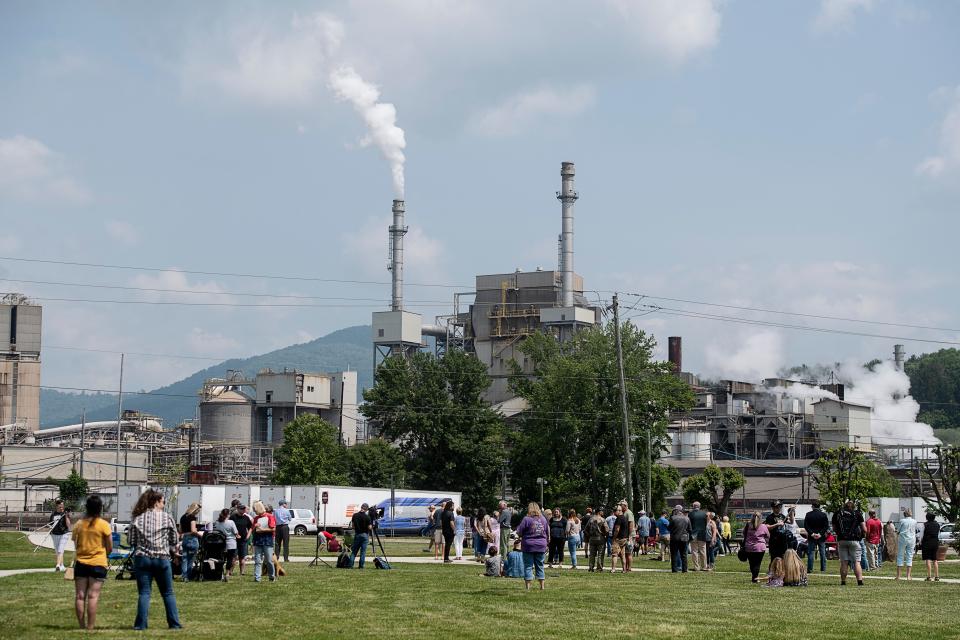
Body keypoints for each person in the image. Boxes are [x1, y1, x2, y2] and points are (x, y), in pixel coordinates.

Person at [129, 489, 181, 630]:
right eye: (163, 502)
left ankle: (140, 625)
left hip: (142, 558)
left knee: (144, 593)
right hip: (161, 558)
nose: (164, 504)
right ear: (156, 502)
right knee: (168, 592)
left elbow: (131, 541)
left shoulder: (137, 518)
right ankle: (174, 624)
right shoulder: (167, 517)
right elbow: (174, 539)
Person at [70, 495, 111, 631]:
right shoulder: (104, 525)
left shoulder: (79, 524)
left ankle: (81, 626)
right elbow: (109, 547)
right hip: (98, 563)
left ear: (86, 507)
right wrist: (105, 554)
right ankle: (90, 627)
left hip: (81, 563)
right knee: (93, 596)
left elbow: (76, 545)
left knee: (80, 596)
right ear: (100, 508)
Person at [515, 502, 549, 590]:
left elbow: (519, 531)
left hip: (528, 545)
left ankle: (528, 587)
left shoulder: (526, 519)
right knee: (540, 565)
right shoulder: (543, 519)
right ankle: (542, 586)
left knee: (528, 566)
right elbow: (547, 531)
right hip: (541, 544)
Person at [833, 499, 866, 586]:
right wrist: (862, 535)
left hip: (842, 540)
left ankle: (843, 581)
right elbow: (864, 529)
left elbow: (834, 528)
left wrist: (840, 534)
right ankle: (859, 581)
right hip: (854, 540)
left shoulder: (837, 513)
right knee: (856, 562)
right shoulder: (857, 514)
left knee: (844, 562)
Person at [251, 501, 276, 581]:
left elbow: (273, 528)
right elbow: (253, 530)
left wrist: (262, 529)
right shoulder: (256, 518)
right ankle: (257, 578)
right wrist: (255, 527)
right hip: (258, 541)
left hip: (267, 541)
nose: (254, 511)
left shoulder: (270, 516)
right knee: (257, 560)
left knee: (269, 560)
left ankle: (272, 576)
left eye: (255, 509)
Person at [742, 511, 769, 583]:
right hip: (760, 547)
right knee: (757, 563)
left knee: (751, 563)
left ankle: (754, 576)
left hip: (749, 547)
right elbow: (768, 536)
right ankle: (755, 577)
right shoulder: (763, 526)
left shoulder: (748, 525)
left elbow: (744, 533)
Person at [213, 508, 240, 580]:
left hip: (220, 543)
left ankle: (220, 573)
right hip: (231, 543)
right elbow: (236, 532)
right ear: (228, 514)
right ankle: (227, 573)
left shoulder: (217, 523)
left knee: (221, 559)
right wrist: (238, 536)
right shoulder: (231, 522)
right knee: (230, 559)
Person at [178, 502, 202, 582]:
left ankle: (184, 576)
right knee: (191, 559)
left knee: (184, 559)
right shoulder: (192, 518)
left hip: (184, 538)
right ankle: (188, 576)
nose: (198, 513)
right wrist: (199, 534)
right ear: (195, 510)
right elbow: (193, 530)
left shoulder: (182, 517)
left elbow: (180, 530)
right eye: (197, 511)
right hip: (192, 539)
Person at [804, 500, 829, 573]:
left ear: (813, 506)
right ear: (819, 506)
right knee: (822, 553)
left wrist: (812, 534)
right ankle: (823, 569)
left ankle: (810, 569)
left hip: (812, 537)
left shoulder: (808, 514)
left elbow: (806, 526)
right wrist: (820, 534)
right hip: (821, 537)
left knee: (811, 553)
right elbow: (826, 526)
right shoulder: (823, 515)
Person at [49, 498, 72, 572]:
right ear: (57, 507)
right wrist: (50, 528)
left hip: (64, 533)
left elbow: (68, 525)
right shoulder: (53, 514)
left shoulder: (65, 514)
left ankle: (57, 565)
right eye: (60, 507)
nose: (62, 508)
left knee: (60, 550)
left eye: (62, 506)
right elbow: (50, 524)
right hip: (55, 534)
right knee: (57, 551)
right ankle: (62, 565)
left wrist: (66, 515)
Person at [229, 504, 252, 575]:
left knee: (242, 557)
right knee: (234, 557)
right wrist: (234, 535)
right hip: (234, 540)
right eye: (241, 509)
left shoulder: (246, 518)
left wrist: (248, 536)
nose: (243, 510)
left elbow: (250, 527)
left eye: (244, 509)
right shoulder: (233, 517)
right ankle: (230, 572)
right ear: (238, 509)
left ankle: (242, 572)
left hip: (243, 540)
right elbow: (229, 527)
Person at [668, 504, 691, 574]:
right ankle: (685, 569)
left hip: (674, 538)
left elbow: (669, 528)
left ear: (676, 511)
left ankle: (674, 569)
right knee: (684, 554)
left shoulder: (673, 518)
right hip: (684, 538)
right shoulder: (687, 518)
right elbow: (690, 529)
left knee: (674, 554)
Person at [895, 507, 917, 581]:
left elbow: (898, 531)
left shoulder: (902, 521)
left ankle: (898, 576)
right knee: (909, 556)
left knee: (900, 556)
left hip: (903, 539)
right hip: (912, 540)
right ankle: (908, 576)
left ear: (904, 514)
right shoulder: (914, 521)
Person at [350, 501, 372, 569]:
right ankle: (361, 566)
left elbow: (353, 526)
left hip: (357, 534)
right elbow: (369, 528)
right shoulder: (367, 517)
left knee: (354, 551)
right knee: (363, 552)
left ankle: (350, 565)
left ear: (361, 507)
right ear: (366, 509)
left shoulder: (355, 515)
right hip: (365, 535)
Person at [920, 512, 941, 582]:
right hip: (935, 542)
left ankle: (929, 576)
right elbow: (938, 534)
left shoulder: (925, 525)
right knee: (935, 559)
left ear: (927, 518)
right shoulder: (938, 525)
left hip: (927, 542)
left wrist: (920, 542)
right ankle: (937, 576)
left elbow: (921, 535)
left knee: (928, 559)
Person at [688, 501, 708, 571]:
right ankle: (704, 566)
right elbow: (705, 524)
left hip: (693, 534)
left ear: (693, 506)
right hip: (702, 534)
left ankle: (696, 567)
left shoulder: (690, 514)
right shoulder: (704, 514)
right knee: (703, 551)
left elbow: (689, 525)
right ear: (699, 506)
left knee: (694, 551)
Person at [610, 505, 629, 573]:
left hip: (618, 539)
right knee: (622, 555)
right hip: (624, 538)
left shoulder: (619, 518)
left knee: (614, 554)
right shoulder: (624, 518)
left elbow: (617, 529)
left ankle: (613, 569)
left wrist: (614, 538)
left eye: (615, 511)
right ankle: (624, 569)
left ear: (619, 511)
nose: (614, 513)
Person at [273, 499, 292, 563]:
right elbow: (290, 518)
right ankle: (286, 558)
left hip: (278, 527)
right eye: (286, 504)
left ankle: (276, 557)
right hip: (285, 527)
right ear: (283, 504)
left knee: (277, 543)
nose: (286, 505)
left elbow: (274, 518)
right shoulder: (286, 511)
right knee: (286, 543)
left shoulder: (275, 511)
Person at [619, 500, 635, 572]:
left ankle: (629, 568)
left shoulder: (629, 513)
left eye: (621, 505)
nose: (619, 506)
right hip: (626, 535)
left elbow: (631, 525)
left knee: (628, 553)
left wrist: (629, 536)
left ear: (625, 506)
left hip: (629, 536)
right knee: (625, 553)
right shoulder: (624, 513)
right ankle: (626, 567)